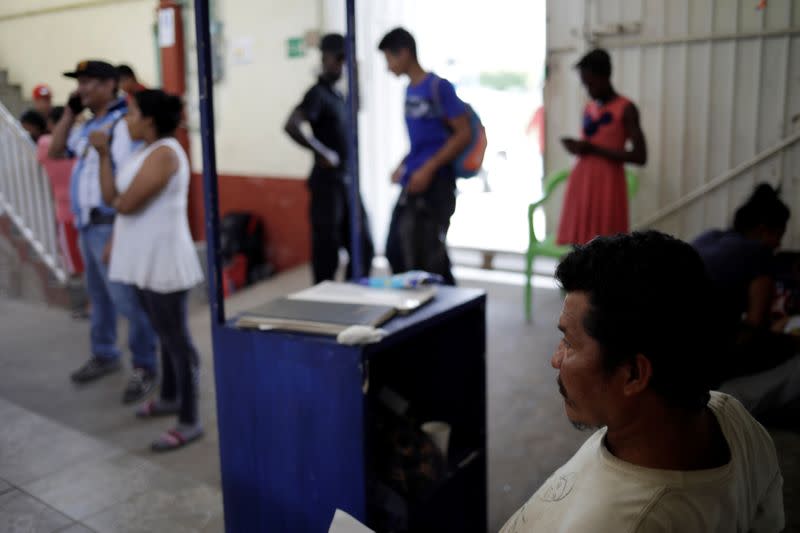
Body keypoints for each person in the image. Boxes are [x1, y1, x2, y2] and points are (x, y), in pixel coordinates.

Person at [500, 231, 784, 532]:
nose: (555, 359)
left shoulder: (626, 522)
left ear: (634, 374)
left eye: (569, 343)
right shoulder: (730, 415)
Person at [89, 89, 204, 451]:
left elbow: (126, 206)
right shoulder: (144, 152)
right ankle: (170, 397)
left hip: (164, 261)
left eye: (134, 112)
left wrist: (117, 194)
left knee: (176, 341)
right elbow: (111, 198)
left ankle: (189, 420)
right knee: (163, 334)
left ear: (150, 119)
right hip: (145, 260)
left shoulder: (166, 154)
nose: (127, 119)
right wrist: (105, 154)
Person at [48, 60, 158, 403]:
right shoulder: (86, 126)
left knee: (127, 299)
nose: (83, 89)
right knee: (99, 298)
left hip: (111, 224)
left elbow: (130, 180)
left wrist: (118, 232)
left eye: (91, 82)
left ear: (111, 85)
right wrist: (69, 112)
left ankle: (145, 365)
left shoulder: (126, 124)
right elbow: (55, 151)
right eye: (80, 83)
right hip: (87, 224)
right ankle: (105, 354)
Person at [378, 28, 471, 286]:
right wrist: (403, 165)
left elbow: (462, 134)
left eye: (389, 59)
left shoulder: (439, 87)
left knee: (428, 260)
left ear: (404, 53)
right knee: (396, 250)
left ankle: (452, 316)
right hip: (413, 180)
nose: (388, 67)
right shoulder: (409, 91)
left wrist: (429, 169)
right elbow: (421, 142)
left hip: (437, 184)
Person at [284, 33, 374, 283]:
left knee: (362, 246)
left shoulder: (339, 95)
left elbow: (357, 108)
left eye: (346, 60)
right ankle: (324, 301)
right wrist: (322, 152)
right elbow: (292, 125)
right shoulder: (317, 94)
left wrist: (355, 72)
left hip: (346, 183)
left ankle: (353, 293)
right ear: (326, 58)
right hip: (327, 186)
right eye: (340, 59)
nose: (343, 65)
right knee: (327, 252)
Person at [693, 184, 799, 387]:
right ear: (762, 230)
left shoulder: (708, 237)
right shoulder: (760, 253)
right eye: (778, 235)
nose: (778, 245)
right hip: (699, 355)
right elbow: (753, 328)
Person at [556, 49, 647, 246]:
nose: (587, 89)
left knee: (606, 246)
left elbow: (640, 156)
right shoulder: (589, 107)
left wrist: (594, 149)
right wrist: (578, 148)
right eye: (584, 84)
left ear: (605, 76)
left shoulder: (626, 108)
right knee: (578, 244)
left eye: (590, 83)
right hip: (582, 181)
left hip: (608, 184)